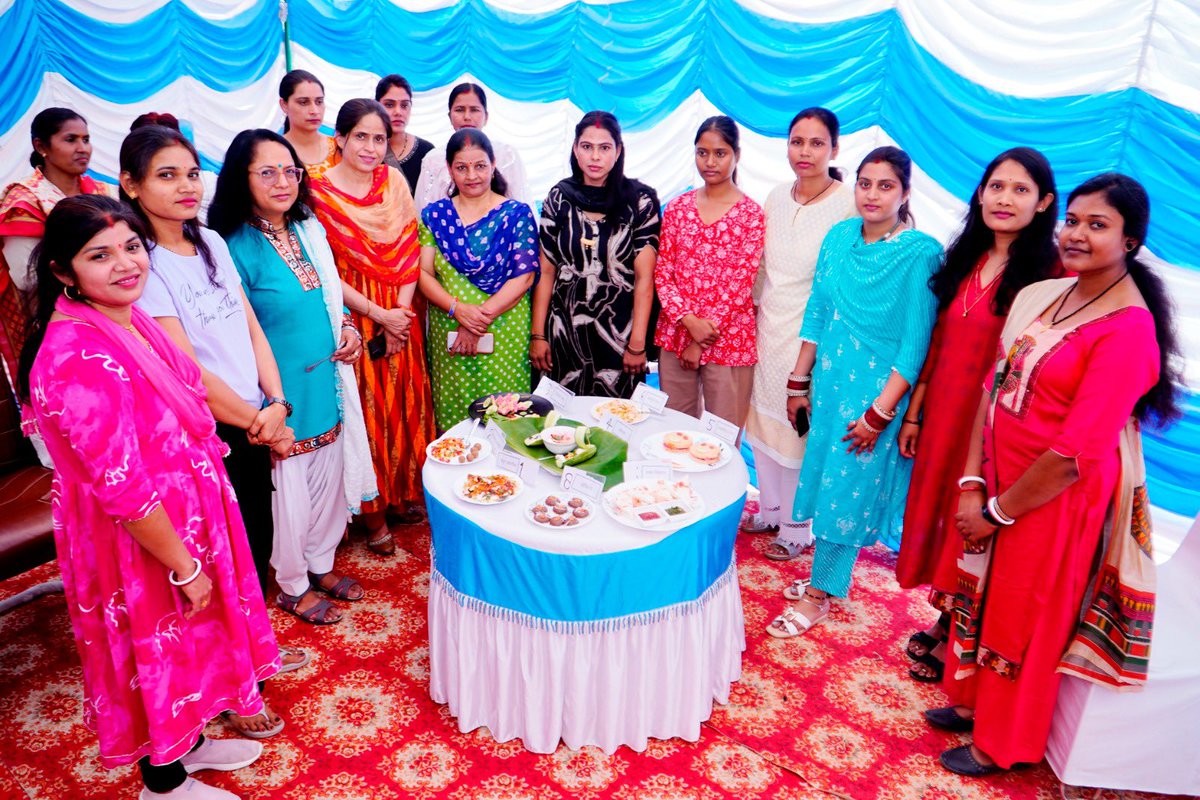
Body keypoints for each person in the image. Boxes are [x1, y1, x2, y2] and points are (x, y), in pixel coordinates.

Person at [18, 195, 277, 800]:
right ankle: (162, 783)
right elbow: (122, 487)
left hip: (180, 518)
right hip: (139, 539)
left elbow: (188, 389)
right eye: (99, 255)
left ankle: (191, 742)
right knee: (150, 652)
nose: (125, 264)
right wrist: (184, 565)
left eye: (131, 247)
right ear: (62, 271)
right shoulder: (76, 355)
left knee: (189, 643)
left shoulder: (122, 320)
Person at [929, 173, 1177, 776]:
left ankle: (1005, 743)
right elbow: (996, 386)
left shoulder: (1128, 330)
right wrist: (972, 483)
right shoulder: (1049, 293)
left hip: (1052, 499)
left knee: (1025, 614)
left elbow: (1075, 455)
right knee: (983, 593)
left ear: (1132, 242)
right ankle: (974, 702)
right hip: (999, 480)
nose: (1076, 234)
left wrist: (997, 512)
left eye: (1098, 225)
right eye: (1073, 220)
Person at [121, 125, 303, 737]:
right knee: (214, 565)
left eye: (192, 173)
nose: (185, 186)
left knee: (252, 551)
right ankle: (228, 689)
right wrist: (257, 420)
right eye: (166, 176)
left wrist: (276, 402)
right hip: (205, 435)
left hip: (254, 417)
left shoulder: (208, 241)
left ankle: (252, 658)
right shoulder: (139, 265)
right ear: (131, 185)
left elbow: (250, 327)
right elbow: (185, 369)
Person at [895, 148, 1060, 684]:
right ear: (980, 194)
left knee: (975, 523)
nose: (1004, 199)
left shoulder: (1050, 275)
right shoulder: (966, 256)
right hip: (944, 412)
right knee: (943, 516)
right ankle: (948, 620)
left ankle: (962, 638)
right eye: (996, 187)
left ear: (1043, 204)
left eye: (1019, 190)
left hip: (994, 426)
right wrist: (915, 414)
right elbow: (938, 340)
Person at [766, 146, 943, 639]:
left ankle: (819, 596)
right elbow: (817, 311)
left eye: (886, 186)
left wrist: (880, 413)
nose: (872, 194)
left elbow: (915, 345)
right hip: (830, 382)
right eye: (865, 183)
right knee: (828, 479)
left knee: (847, 487)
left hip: (875, 392)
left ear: (905, 193)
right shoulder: (840, 236)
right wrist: (799, 381)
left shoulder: (921, 253)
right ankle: (827, 576)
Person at [210, 129, 379, 623]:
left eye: (290, 171)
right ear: (241, 179)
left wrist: (348, 327)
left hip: (328, 381)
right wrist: (267, 399)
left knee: (328, 480)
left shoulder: (309, 226)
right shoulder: (230, 246)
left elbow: (328, 297)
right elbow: (235, 333)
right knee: (290, 494)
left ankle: (320, 563)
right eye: (267, 172)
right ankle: (289, 583)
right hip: (278, 394)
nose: (282, 181)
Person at [307, 99, 436, 555]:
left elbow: (408, 244)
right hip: (352, 315)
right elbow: (322, 269)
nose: (370, 147)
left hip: (402, 308)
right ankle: (372, 509)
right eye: (359, 136)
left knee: (406, 400)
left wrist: (400, 315)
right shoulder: (316, 190)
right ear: (338, 138)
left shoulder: (393, 180)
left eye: (378, 138)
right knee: (367, 410)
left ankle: (401, 493)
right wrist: (379, 317)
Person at [742, 108, 855, 557]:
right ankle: (769, 509)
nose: (804, 152)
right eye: (796, 141)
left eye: (816, 143)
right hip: (767, 327)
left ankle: (796, 528)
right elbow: (762, 267)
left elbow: (845, 280)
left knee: (797, 430)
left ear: (834, 148)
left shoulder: (847, 202)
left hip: (812, 336)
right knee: (762, 423)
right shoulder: (775, 196)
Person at [532, 111, 661, 397]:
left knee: (615, 423)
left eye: (605, 148)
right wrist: (538, 335)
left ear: (618, 152)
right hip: (562, 334)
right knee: (561, 427)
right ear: (575, 150)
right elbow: (547, 271)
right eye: (587, 147)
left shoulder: (639, 202)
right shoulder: (559, 198)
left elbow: (644, 279)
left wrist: (637, 343)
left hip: (619, 335)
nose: (595, 156)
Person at [417, 128, 539, 430]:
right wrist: (458, 310)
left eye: (480, 166)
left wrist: (477, 320)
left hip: (504, 329)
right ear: (449, 169)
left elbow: (524, 277)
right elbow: (422, 273)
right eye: (462, 167)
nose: (472, 175)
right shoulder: (435, 216)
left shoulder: (516, 214)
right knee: (455, 420)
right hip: (450, 332)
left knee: (505, 417)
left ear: (493, 164)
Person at [654, 116, 763, 425]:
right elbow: (664, 274)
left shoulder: (752, 215)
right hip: (676, 334)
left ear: (736, 155)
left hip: (728, 341)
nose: (710, 161)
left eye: (720, 153)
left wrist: (699, 340)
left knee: (722, 439)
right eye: (702, 152)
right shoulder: (678, 207)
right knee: (673, 432)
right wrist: (689, 324)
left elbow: (740, 285)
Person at [0, 107, 112, 395]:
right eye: (70, 139)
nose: (82, 148)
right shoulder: (25, 200)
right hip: (57, 321)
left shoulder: (102, 192)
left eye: (86, 139)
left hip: (115, 313)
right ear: (41, 146)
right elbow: (27, 278)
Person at [413, 82, 530, 211]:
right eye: (459, 110)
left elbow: (520, 206)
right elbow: (423, 214)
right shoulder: (433, 159)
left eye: (474, 110)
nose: (467, 117)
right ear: (449, 116)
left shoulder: (507, 154)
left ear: (486, 117)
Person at [376, 73, 434, 194]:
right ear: (376, 105)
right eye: (389, 105)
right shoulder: (368, 150)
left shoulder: (427, 152)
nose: (398, 112)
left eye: (404, 105)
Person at [279, 69, 337, 171]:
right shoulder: (274, 151)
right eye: (303, 102)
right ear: (284, 105)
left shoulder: (340, 148)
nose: (314, 111)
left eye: (319, 102)